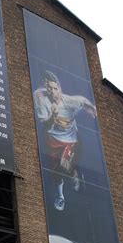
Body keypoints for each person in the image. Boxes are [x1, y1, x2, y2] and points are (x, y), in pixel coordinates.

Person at [34, 70, 96, 211]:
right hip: (52, 140)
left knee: (64, 165)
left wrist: (91, 109)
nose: (52, 91)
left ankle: (74, 173)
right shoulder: (40, 97)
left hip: (70, 140)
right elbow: (44, 123)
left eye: (55, 88)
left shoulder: (69, 102)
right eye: (49, 88)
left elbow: (82, 100)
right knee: (55, 171)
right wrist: (53, 116)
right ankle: (60, 196)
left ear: (60, 89)